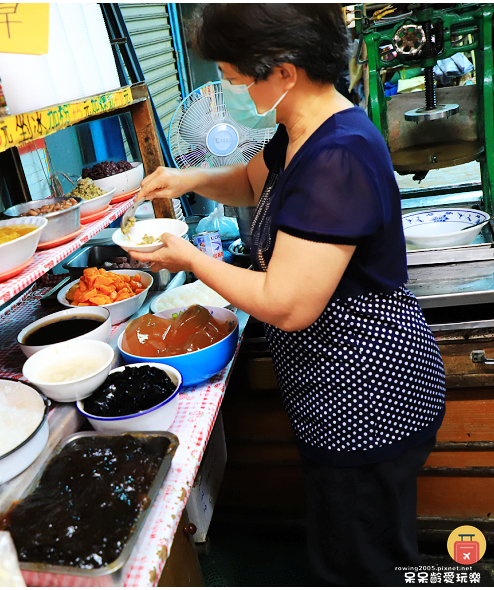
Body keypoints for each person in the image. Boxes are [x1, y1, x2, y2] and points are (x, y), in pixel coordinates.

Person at [129, 4, 445, 586]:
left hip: (370, 397)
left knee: (362, 560)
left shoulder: (338, 156)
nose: (230, 88)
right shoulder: (301, 128)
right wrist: (189, 178)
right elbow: (252, 182)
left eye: (236, 76)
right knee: (348, 534)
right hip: (334, 388)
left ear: (283, 71)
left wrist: (190, 258)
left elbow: (287, 304)